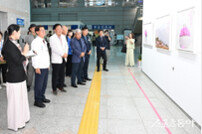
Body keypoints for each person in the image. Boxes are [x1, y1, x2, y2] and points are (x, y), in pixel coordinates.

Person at [2, 24, 30, 131]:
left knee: (21, 99)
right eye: (19, 32)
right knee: (15, 102)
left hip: (20, 76)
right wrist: (26, 52)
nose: (20, 34)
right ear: (14, 33)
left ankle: (22, 119)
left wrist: (24, 54)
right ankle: (15, 123)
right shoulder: (8, 45)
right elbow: (18, 61)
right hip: (14, 78)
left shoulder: (14, 43)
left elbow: (19, 58)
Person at [31, 25, 50, 108]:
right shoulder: (35, 42)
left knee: (44, 84)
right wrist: (36, 67)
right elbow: (34, 55)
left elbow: (46, 54)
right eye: (41, 30)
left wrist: (48, 65)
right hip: (39, 67)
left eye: (44, 30)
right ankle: (37, 100)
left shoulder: (44, 41)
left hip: (45, 66)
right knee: (38, 84)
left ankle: (42, 97)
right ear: (37, 32)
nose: (43, 31)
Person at [50, 24, 68, 95]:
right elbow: (54, 48)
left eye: (61, 28)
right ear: (54, 30)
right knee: (55, 75)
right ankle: (54, 88)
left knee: (62, 74)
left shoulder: (63, 37)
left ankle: (61, 86)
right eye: (58, 28)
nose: (60, 30)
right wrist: (62, 54)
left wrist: (65, 53)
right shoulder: (52, 38)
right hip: (56, 59)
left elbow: (66, 46)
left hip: (63, 58)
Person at [24, 24, 36, 91]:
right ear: (30, 29)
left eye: (35, 28)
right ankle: (28, 85)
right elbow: (25, 47)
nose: (34, 29)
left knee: (38, 73)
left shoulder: (38, 36)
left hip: (38, 58)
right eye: (33, 28)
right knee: (30, 73)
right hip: (30, 57)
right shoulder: (27, 37)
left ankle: (37, 85)